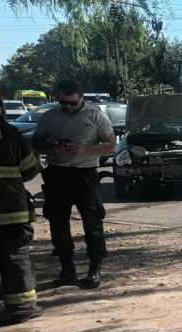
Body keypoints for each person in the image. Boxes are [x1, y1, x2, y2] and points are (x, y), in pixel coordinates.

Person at [32, 79, 116, 289]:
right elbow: (36, 143)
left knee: (93, 222)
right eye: (63, 103)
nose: (67, 107)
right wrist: (51, 146)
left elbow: (110, 147)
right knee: (57, 223)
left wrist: (84, 150)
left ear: (81, 98)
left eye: (72, 103)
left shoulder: (95, 115)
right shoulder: (49, 116)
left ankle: (94, 269)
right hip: (56, 175)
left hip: (85, 175)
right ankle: (66, 270)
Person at [0, 83, 41, 324]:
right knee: (15, 257)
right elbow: (31, 169)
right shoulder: (10, 133)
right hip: (9, 210)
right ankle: (22, 308)